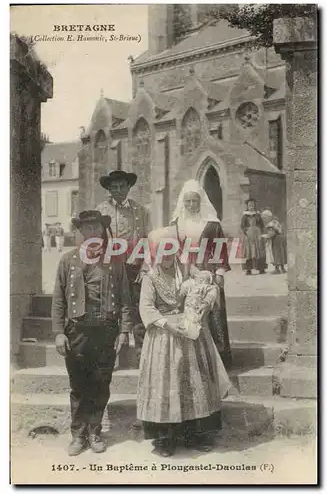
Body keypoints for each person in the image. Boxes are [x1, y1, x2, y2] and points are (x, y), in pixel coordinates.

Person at [137, 229, 232, 457]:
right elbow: (146, 308)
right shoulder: (150, 278)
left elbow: (208, 284)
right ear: (155, 253)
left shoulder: (187, 270)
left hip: (191, 331)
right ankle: (165, 439)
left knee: (194, 381)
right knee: (166, 383)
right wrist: (167, 325)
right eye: (162, 251)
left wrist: (206, 303)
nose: (167, 255)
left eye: (171, 250)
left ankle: (196, 434)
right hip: (164, 335)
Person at [52, 210, 133, 456]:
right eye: (87, 228)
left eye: (96, 228)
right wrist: (58, 332)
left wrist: (124, 330)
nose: (92, 232)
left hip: (106, 331)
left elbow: (125, 299)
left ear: (102, 231)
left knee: (101, 383)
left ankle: (95, 432)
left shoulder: (115, 261)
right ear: (81, 232)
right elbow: (58, 300)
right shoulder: (68, 260)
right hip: (76, 331)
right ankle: (78, 435)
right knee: (78, 385)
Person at [170, 179, 232, 370]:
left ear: (201, 201)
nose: (191, 205)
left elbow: (220, 250)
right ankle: (191, 358)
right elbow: (173, 249)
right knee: (187, 310)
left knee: (211, 310)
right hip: (185, 271)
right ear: (183, 202)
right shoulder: (176, 223)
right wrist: (187, 268)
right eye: (187, 201)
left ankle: (217, 358)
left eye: (194, 201)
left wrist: (220, 272)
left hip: (208, 270)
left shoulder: (212, 224)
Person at [96, 170, 150, 358]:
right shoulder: (101, 210)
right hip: (110, 268)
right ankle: (112, 354)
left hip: (133, 267)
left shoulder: (140, 211)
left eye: (122, 186)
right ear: (109, 189)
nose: (118, 190)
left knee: (137, 309)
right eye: (114, 187)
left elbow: (146, 241)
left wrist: (144, 267)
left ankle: (141, 353)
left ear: (128, 187)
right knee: (111, 308)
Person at [240, 198, 266, 275]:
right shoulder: (245, 216)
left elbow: (261, 224)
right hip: (249, 235)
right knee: (249, 252)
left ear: (254, 206)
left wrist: (260, 231)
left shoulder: (257, 214)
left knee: (259, 251)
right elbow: (242, 226)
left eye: (252, 205)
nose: (251, 206)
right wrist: (246, 230)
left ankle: (261, 269)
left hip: (257, 234)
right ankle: (248, 269)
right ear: (247, 206)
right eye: (249, 205)